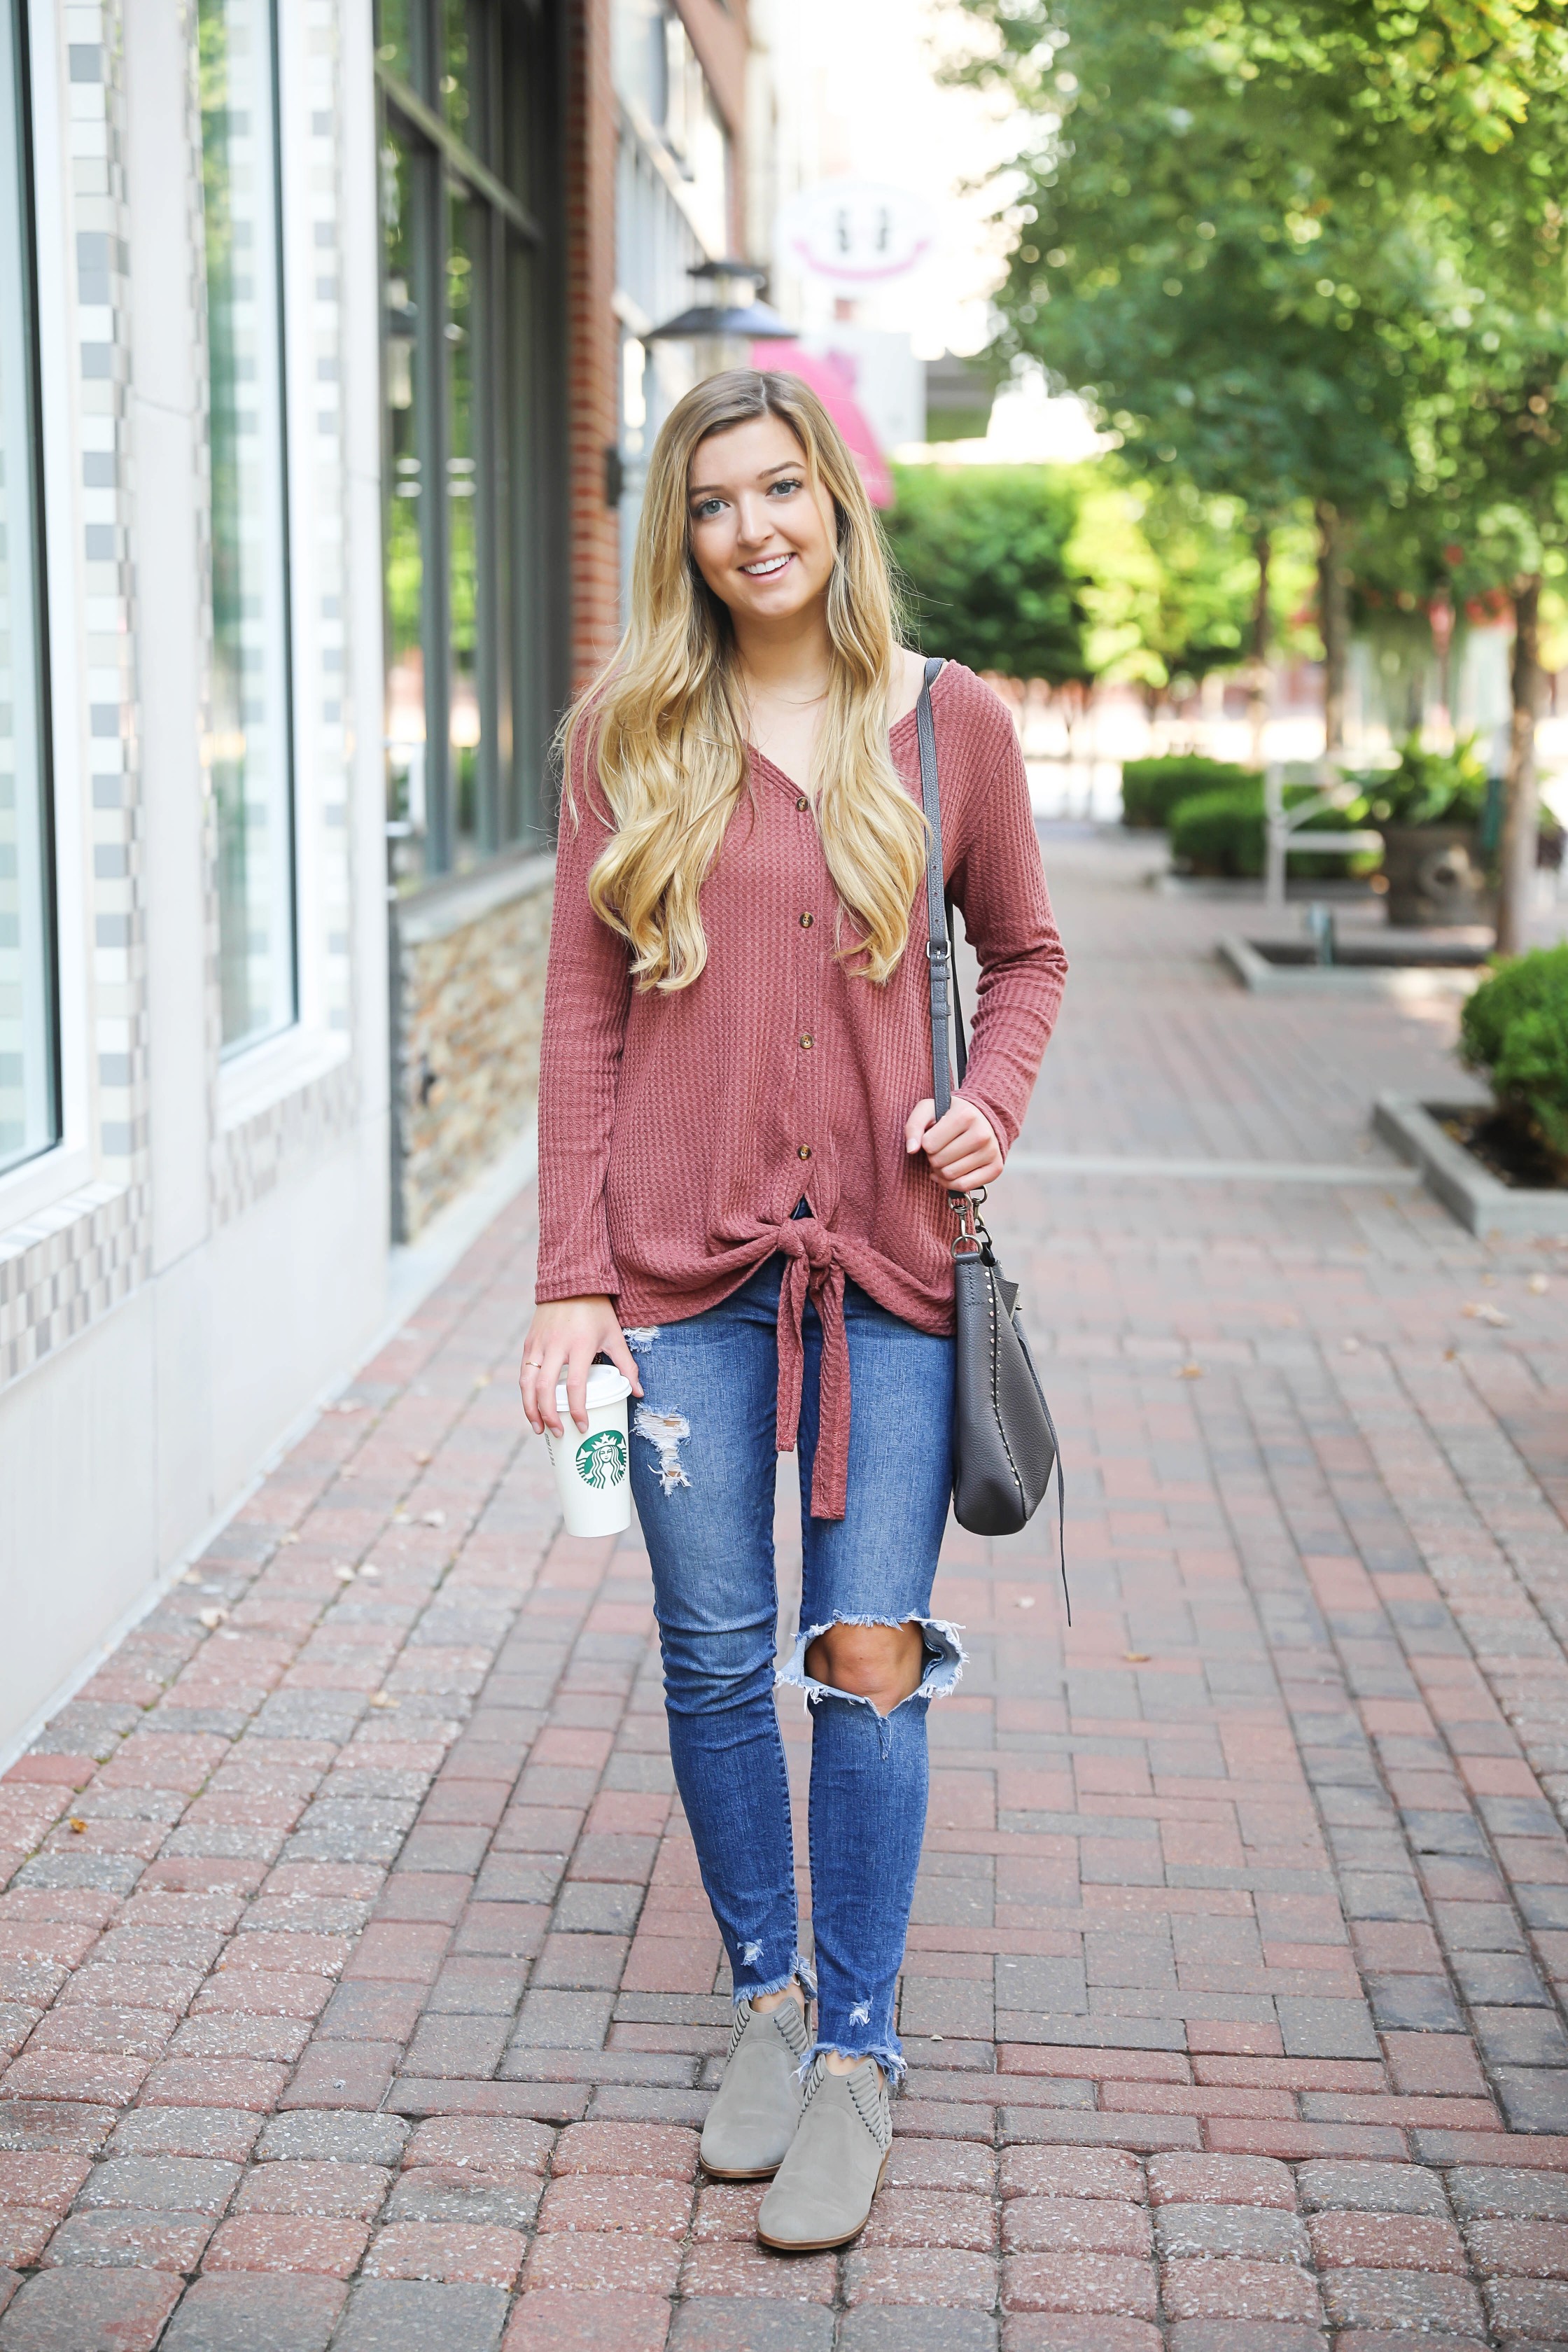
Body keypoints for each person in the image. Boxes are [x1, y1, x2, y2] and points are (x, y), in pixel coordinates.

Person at [519, 368, 1066, 2251]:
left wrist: (985, 1103)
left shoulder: (948, 727)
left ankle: (858, 2047)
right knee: (708, 1650)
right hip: (679, 1278)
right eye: (713, 502)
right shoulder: (631, 731)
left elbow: (1030, 951)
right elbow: (586, 1018)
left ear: (836, 501)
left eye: (782, 491)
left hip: (893, 1277)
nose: (753, 529)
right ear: (680, 532)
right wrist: (566, 1281)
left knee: (866, 1659)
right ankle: (763, 1995)